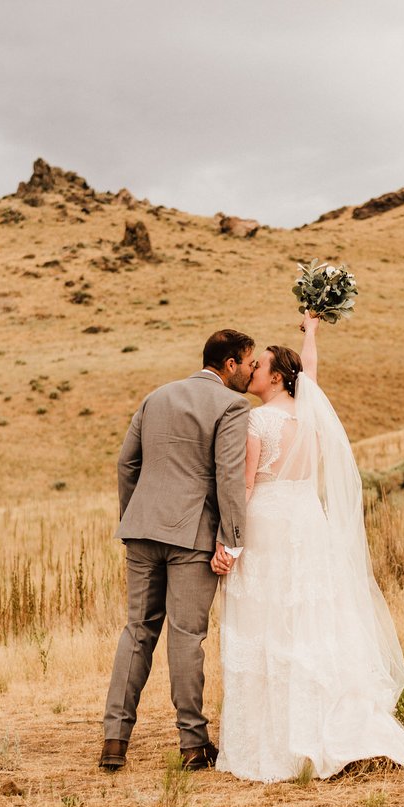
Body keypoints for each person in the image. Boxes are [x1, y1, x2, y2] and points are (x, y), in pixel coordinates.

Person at [214, 314, 404, 782]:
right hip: (309, 525)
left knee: (269, 626)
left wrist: (230, 545)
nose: (252, 371)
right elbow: (309, 369)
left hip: (267, 526)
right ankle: (330, 718)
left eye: (260, 365)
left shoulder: (258, 421)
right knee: (311, 621)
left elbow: (245, 487)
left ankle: (278, 742)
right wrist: (311, 331)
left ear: (276, 377)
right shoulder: (309, 413)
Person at [99, 329, 256, 772]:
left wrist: (136, 515)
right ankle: (193, 744)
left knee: (137, 631)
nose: (250, 371)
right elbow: (228, 476)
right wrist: (233, 540)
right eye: (247, 362)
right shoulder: (231, 405)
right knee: (187, 637)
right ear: (229, 364)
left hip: (142, 530)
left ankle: (114, 740)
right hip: (192, 538)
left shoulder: (156, 397)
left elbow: (126, 462)